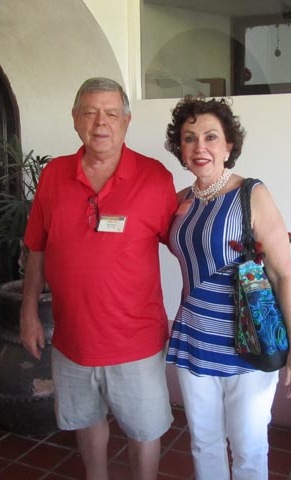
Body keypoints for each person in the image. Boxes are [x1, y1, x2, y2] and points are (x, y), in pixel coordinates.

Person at [20, 77, 177, 480]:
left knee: (144, 430)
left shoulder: (155, 177)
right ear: (75, 119)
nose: (100, 123)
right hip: (72, 338)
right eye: (90, 113)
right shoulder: (54, 174)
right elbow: (37, 248)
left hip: (136, 340)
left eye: (110, 113)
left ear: (126, 121)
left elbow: (185, 245)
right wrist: (29, 314)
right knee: (86, 422)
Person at [164, 96, 291, 480]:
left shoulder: (252, 193)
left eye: (211, 137)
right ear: (180, 149)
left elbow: (282, 274)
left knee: (248, 447)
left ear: (229, 145)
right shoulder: (180, 202)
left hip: (248, 344)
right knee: (204, 443)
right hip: (194, 341)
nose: (200, 147)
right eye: (189, 138)